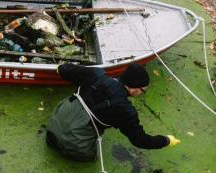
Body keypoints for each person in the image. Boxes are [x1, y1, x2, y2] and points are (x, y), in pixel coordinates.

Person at [45, 63, 180, 162]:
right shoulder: (125, 110)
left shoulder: (96, 74)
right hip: (73, 146)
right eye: (143, 90)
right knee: (90, 158)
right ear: (134, 89)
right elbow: (140, 140)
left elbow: (65, 69)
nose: (142, 93)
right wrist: (166, 140)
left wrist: (59, 68)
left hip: (52, 128)